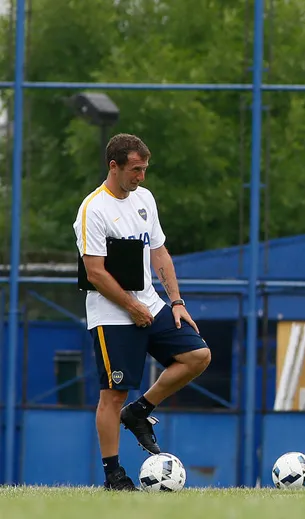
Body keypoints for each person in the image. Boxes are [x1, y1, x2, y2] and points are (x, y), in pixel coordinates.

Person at [73, 133, 212, 491]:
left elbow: (160, 252)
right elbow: (95, 272)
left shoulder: (145, 199)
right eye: (136, 169)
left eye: (145, 169)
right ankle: (113, 475)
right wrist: (131, 307)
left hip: (150, 305)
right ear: (114, 166)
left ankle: (140, 412)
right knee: (112, 394)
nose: (141, 177)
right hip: (112, 314)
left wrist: (176, 302)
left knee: (197, 355)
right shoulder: (93, 208)